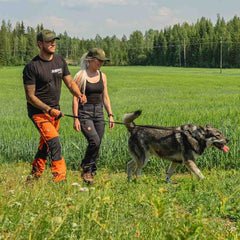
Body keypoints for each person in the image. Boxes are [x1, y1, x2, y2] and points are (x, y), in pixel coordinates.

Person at [23, 29, 87, 183]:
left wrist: (78, 94)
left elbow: (70, 83)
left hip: (54, 111)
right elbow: (30, 97)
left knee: (45, 145)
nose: (53, 43)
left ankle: (33, 177)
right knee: (54, 142)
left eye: (54, 40)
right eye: (48, 41)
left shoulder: (59, 61)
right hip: (39, 112)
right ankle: (60, 179)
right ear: (40, 44)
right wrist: (49, 110)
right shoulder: (32, 67)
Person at [72, 48, 114, 184]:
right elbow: (74, 98)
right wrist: (76, 118)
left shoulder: (103, 76)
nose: (101, 63)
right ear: (90, 60)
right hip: (85, 113)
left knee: (98, 143)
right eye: (99, 61)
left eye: (103, 61)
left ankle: (91, 170)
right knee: (94, 140)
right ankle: (87, 170)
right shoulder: (80, 76)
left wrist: (110, 115)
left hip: (99, 113)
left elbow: (106, 97)